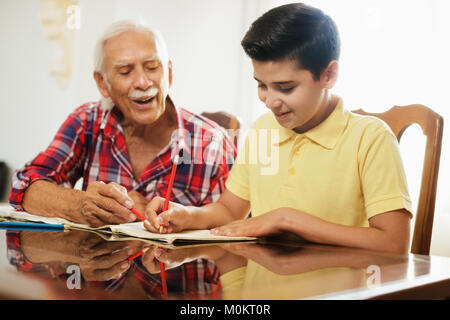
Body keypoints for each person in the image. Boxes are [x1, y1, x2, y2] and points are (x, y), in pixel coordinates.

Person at [144, 3, 412, 254]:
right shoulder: (263, 130)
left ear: (328, 75)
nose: (270, 102)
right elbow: (228, 210)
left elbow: (394, 243)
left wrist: (289, 220)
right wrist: (185, 215)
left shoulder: (370, 138)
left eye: (285, 87)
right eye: (261, 85)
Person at [9, 20, 236, 227]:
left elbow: (233, 228)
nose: (142, 82)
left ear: (169, 73)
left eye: (152, 67)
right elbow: (24, 186)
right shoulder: (87, 122)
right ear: (102, 83)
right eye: (125, 71)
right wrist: (81, 204)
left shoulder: (213, 142)